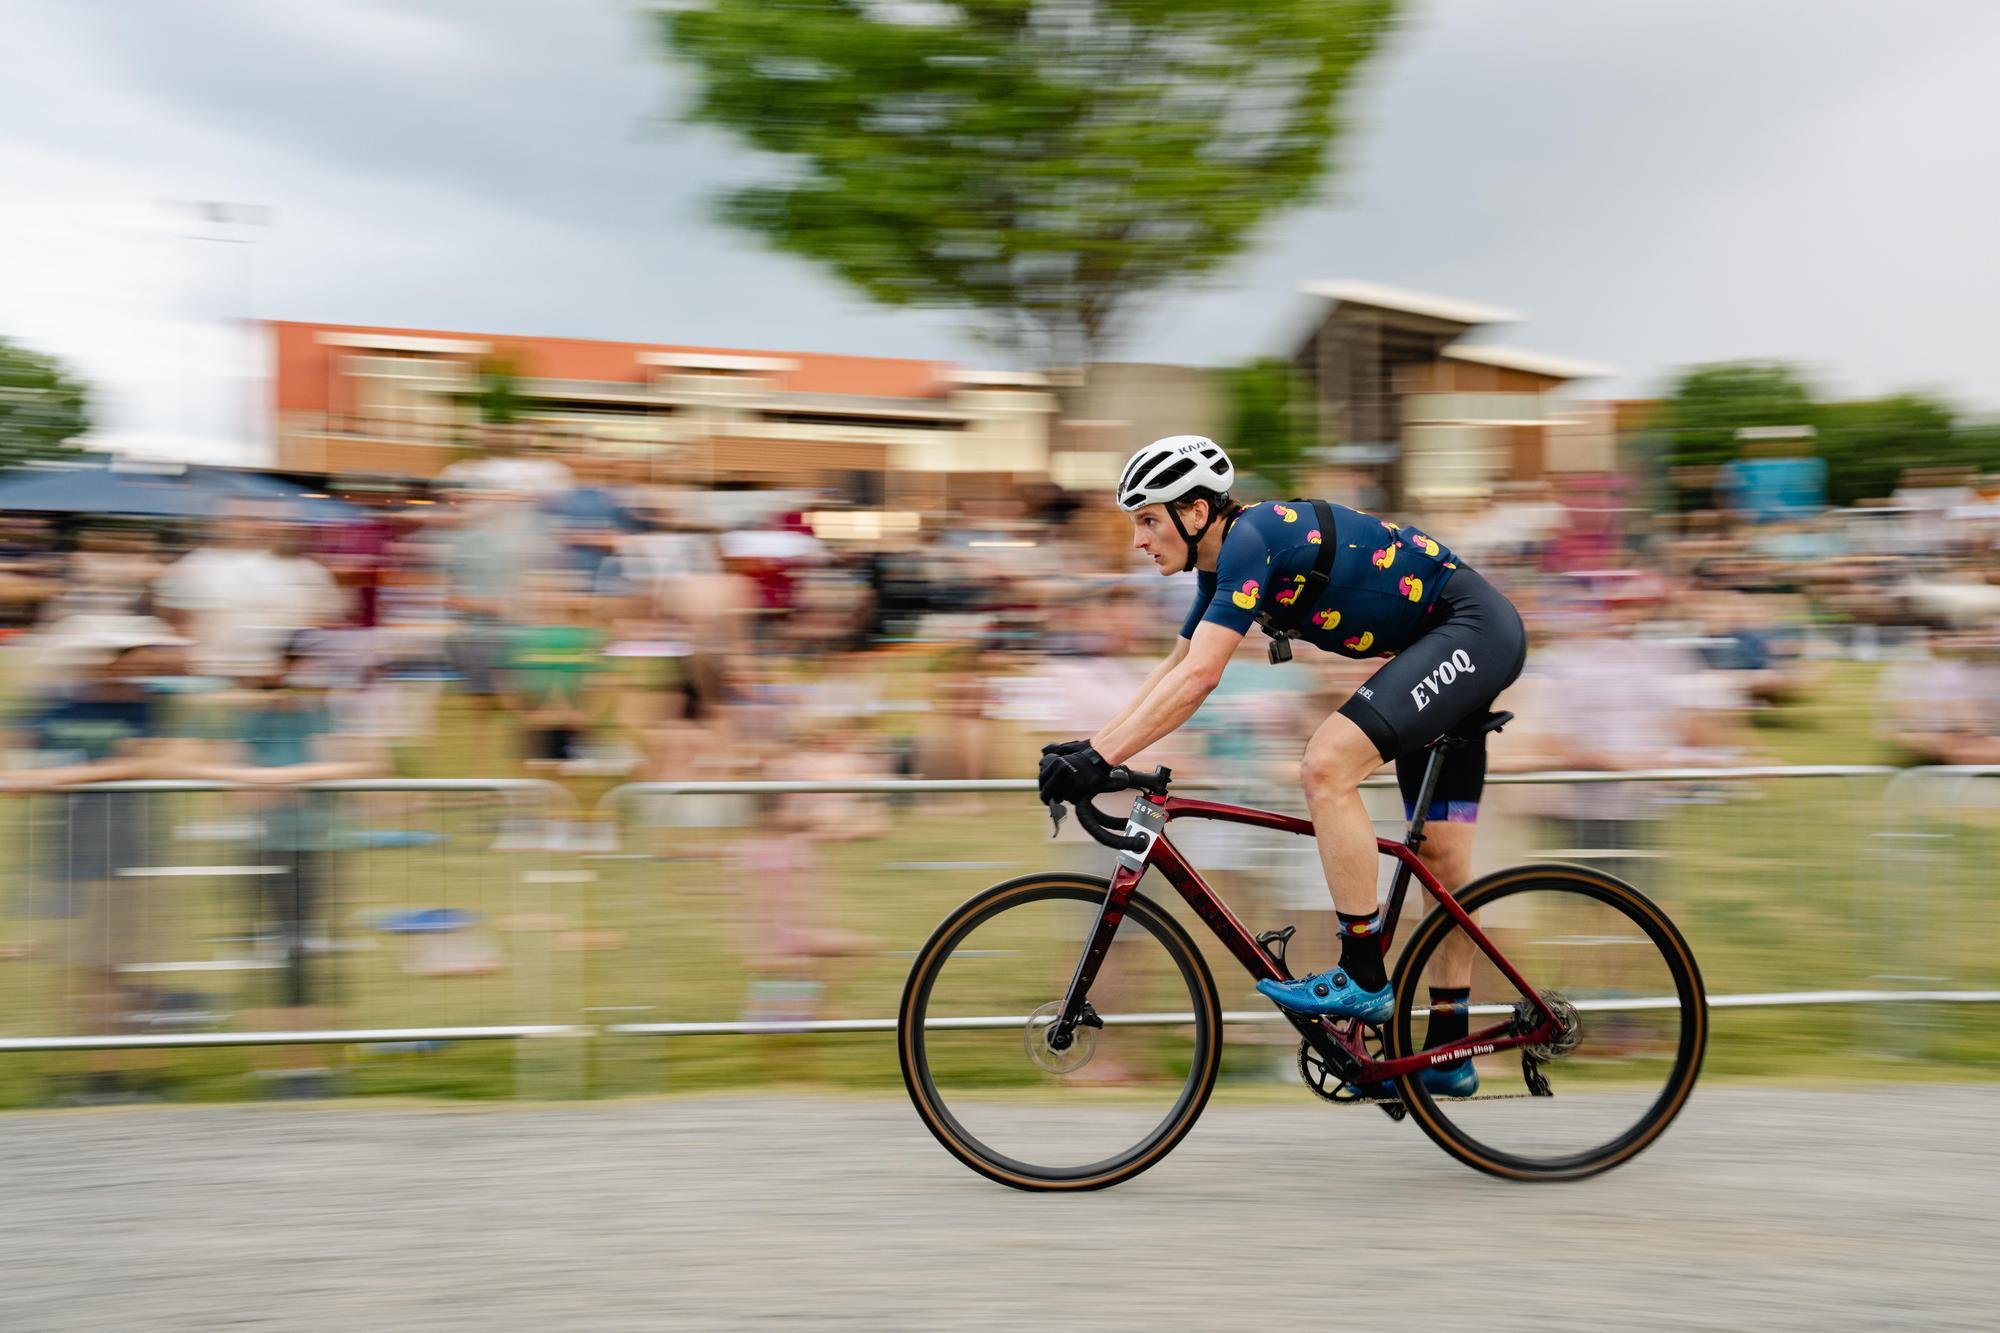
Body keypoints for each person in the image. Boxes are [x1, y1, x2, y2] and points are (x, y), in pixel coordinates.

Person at [1037, 436, 1528, 1098]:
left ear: (1197, 511)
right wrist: (1092, 745)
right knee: (1442, 860)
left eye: (1149, 519)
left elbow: (1203, 678)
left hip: (1472, 632)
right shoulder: (1221, 565)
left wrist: (1103, 757)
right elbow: (1176, 667)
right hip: (1438, 649)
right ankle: (1449, 1049)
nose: (1138, 540)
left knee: (1326, 765)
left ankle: (1363, 974)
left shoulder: (1250, 539)